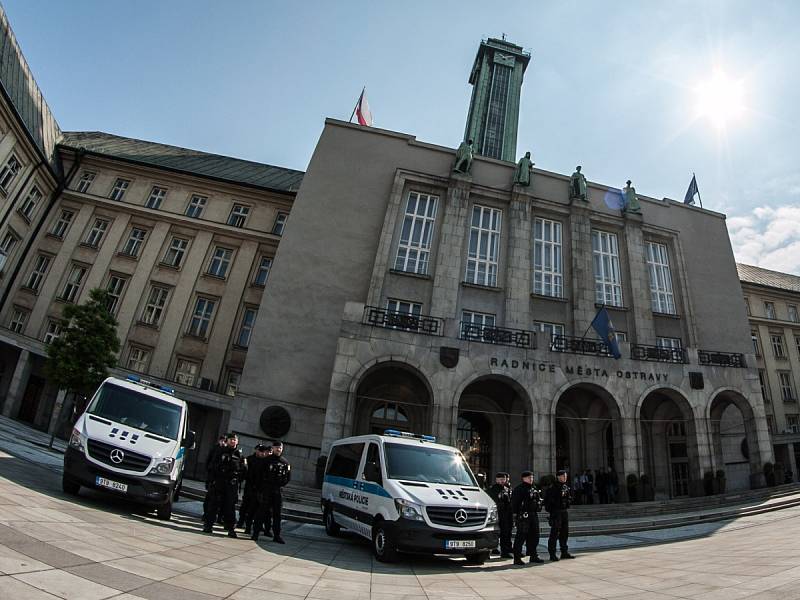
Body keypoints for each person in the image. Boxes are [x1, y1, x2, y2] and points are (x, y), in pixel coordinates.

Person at [203, 433, 245, 537]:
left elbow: (244, 470)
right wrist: (211, 481)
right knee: (213, 504)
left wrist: (237, 478)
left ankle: (231, 529)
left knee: (229, 507)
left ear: (237, 441)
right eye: (231, 439)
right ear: (227, 441)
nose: (232, 441)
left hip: (231, 484)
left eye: (234, 440)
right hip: (219, 482)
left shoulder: (239, 455)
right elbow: (212, 466)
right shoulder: (220, 451)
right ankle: (208, 526)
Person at [251, 440, 291, 543]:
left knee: (277, 514)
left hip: (278, 491)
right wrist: (260, 490)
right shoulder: (265, 461)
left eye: (280, 448)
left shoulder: (285, 462)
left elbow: (287, 477)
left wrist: (281, 484)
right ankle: (255, 534)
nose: (278, 450)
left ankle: (277, 535)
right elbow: (258, 476)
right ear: (272, 448)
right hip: (266, 490)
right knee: (261, 512)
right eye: (276, 447)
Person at [511, 471, 544, 566]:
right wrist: (516, 515)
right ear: (523, 478)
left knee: (535, 536)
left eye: (532, 477)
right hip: (523, 515)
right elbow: (515, 503)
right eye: (529, 477)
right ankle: (517, 558)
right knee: (521, 537)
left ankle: (533, 555)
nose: (531, 479)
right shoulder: (519, 489)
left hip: (533, 514)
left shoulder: (534, 488)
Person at [237, 444, 270, 534]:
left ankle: (254, 526)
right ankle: (242, 522)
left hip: (259, 488)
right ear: (256, 450)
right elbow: (246, 472)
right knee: (245, 506)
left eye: (263, 451)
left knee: (255, 509)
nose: (262, 453)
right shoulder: (249, 459)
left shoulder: (265, 462)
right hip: (250, 486)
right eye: (260, 451)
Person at [545, 470, 575, 561]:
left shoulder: (565, 487)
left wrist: (567, 501)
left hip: (564, 511)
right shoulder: (553, 487)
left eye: (566, 476)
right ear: (558, 477)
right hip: (556, 512)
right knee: (554, 534)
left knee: (564, 533)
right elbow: (548, 502)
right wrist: (553, 510)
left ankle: (564, 552)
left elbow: (568, 498)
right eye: (563, 476)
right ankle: (552, 554)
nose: (565, 478)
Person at [202, 436, 227, 523]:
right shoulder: (215, 449)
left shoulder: (226, 451)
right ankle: (206, 514)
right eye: (222, 441)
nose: (223, 443)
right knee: (209, 497)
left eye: (225, 441)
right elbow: (209, 462)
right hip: (212, 477)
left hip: (222, 479)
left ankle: (218, 516)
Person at [487, 472, 513, 558]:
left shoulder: (507, 489)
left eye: (503, 479)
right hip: (496, 514)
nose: (502, 481)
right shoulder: (492, 489)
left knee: (505, 533)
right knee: (494, 533)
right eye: (500, 479)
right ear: (496, 480)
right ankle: (490, 550)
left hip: (506, 514)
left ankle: (505, 551)